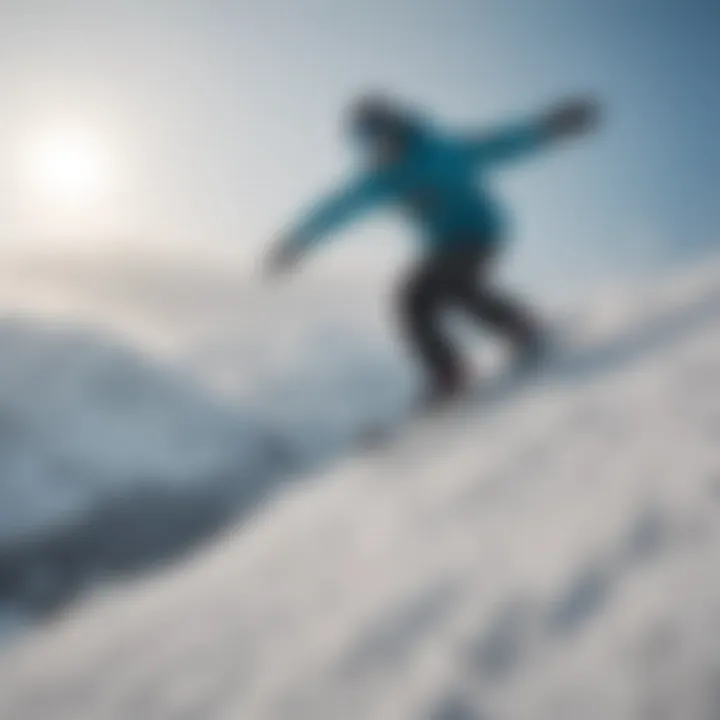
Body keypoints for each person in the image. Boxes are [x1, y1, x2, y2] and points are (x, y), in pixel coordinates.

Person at [266, 94, 599, 406]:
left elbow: (502, 144)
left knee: (448, 285)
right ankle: (449, 372)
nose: (381, 147)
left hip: (479, 232)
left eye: (383, 133)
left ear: (397, 125)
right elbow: (337, 209)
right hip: (441, 247)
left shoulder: (443, 150)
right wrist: (297, 242)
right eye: (370, 141)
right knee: (415, 302)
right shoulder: (380, 180)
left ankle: (521, 331)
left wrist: (552, 127)